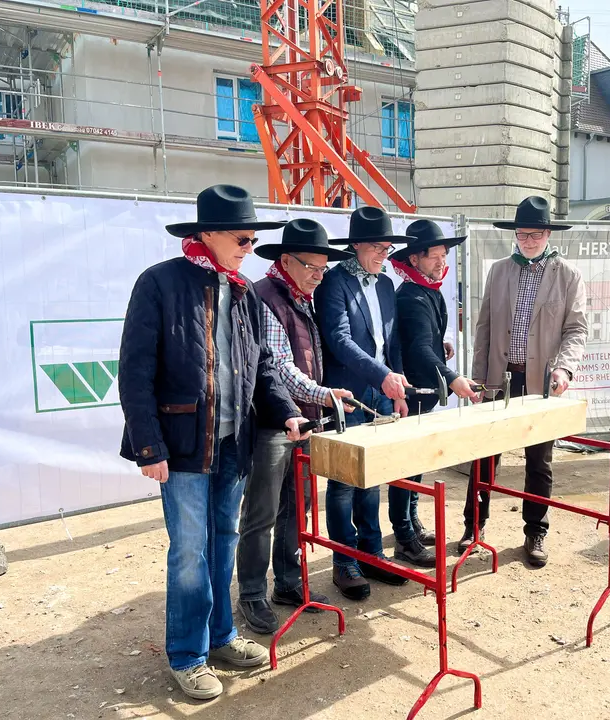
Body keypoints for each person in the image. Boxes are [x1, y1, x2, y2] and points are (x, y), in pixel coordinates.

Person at [118, 185, 311, 700]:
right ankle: (187, 654)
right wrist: (148, 446)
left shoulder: (242, 291)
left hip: (233, 444)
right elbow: (135, 371)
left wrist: (288, 412)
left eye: (253, 239)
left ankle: (222, 636)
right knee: (189, 552)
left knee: (224, 542)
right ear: (207, 235)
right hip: (180, 446)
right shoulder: (159, 283)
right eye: (243, 238)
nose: (250, 247)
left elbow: (264, 364)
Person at [235, 218, 355, 634]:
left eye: (324, 269)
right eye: (312, 267)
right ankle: (252, 592)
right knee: (263, 511)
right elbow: (279, 366)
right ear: (286, 260)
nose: (319, 277)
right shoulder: (266, 296)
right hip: (273, 422)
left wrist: (319, 399)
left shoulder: (300, 295)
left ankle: (288, 582)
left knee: (296, 505)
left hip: (304, 420)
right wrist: (323, 394)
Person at [314, 206, 435, 601]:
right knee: (344, 480)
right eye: (377, 247)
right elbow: (339, 339)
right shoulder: (333, 283)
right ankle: (344, 559)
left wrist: (397, 387)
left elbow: (393, 342)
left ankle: (371, 552)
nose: (384, 254)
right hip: (348, 394)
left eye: (387, 247)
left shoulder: (384, 285)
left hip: (382, 392)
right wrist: (381, 376)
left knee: (372, 477)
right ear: (356, 246)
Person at [461, 196, 588, 568]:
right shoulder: (499, 271)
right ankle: (474, 526)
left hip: (541, 383)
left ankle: (536, 530)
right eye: (521, 234)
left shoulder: (567, 275)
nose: (527, 241)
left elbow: (576, 329)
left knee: (539, 461)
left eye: (534, 234)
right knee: (484, 456)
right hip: (500, 380)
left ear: (548, 233)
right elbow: (484, 329)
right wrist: (480, 380)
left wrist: (564, 369)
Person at [392, 220, 480, 506]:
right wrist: (451, 377)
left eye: (444, 256)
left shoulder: (428, 290)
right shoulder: (411, 296)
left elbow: (421, 339)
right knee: (406, 467)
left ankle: (410, 525)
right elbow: (417, 348)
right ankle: (405, 532)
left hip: (424, 392)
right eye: (435, 256)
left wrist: (439, 346)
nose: (442, 263)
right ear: (414, 259)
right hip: (413, 394)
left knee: (415, 466)